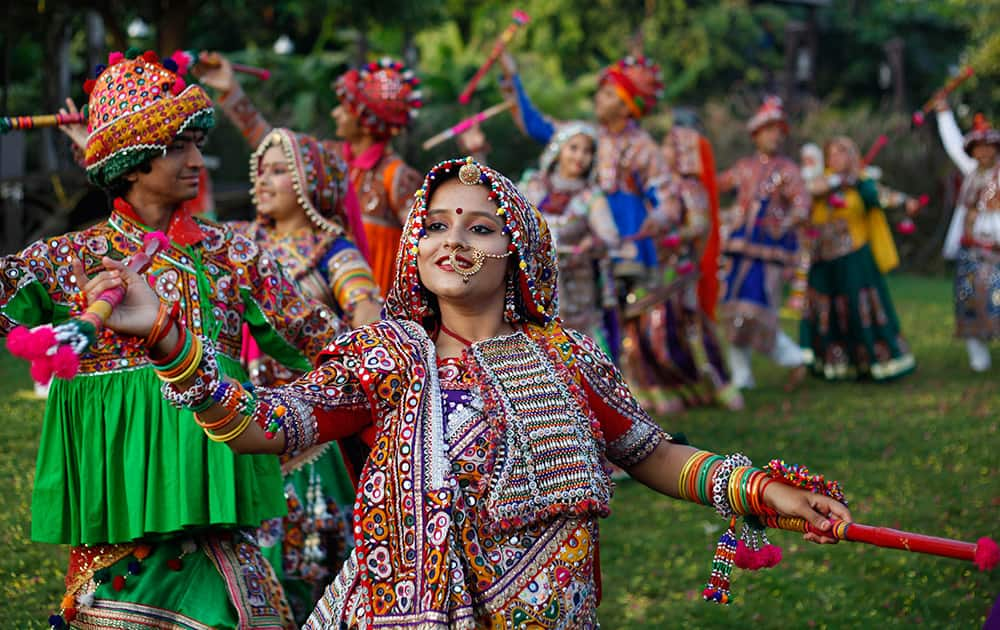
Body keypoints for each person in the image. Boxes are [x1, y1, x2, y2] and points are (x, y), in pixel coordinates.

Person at [85, 156, 851, 628]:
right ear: (415, 245)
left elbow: (653, 453)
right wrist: (166, 338)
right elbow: (262, 424)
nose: (454, 239)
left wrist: (758, 490)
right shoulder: (386, 355)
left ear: (517, 251)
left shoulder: (565, 357)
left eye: (481, 228)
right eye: (438, 223)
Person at [0, 49, 346, 628]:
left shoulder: (232, 255)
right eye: (178, 146)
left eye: (197, 145)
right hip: (119, 531)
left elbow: (323, 342)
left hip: (220, 524)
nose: (196, 161)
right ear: (133, 164)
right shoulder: (70, 259)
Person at [233, 128, 382, 622]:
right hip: (243, 427)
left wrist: (352, 359)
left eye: (278, 170)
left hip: (314, 440)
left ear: (308, 182)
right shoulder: (240, 243)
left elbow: (367, 310)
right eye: (261, 171)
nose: (263, 182)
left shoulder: (332, 251)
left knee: (313, 568)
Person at [197, 53, 423, 294]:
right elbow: (274, 144)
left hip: (370, 303)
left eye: (345, 108)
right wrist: (232, 92)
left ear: (367, 121)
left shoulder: (397, 176)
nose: (336, 113)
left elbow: (421, 246)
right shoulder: (328, 158)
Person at [502, 53, 673, 291]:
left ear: (626, 107)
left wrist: (657, 220)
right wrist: (512, 77)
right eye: (601, 92)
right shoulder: (584, 136)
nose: (598, 99)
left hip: (623, 247)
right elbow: (536, 125)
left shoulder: (644, 148)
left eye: (608, 94)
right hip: (576, 237)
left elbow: (666, 199)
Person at [622, 126, 742, 413]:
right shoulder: (648, 182)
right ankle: (651, 387)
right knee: (639, 329)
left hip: (676, 269)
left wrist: (674, 234)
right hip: (646, 264)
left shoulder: (688, 187)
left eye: (670, 146)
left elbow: (699, 225)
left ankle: (704, 385)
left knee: (671, 327)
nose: (663, 151)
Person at [799, 137, 916, 381]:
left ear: (851, 156)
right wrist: (838, 181)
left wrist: (905, 201)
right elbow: (807, 192)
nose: (835, 159)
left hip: (854, 258)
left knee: (859, 308)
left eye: (841, 153)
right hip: (824, 260)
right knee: (827, 311)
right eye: (831, 154)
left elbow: (881, 196)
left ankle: (876, 362)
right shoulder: (820, 180)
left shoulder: (862, 183)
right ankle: (835, 364)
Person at [718, 97, 810, 391]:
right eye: (768, 129)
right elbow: (716, 186)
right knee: (732, 311)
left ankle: (795, 358)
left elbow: (802, 204)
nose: (774, 135)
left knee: (758, 312)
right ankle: (742, 377)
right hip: (738, 250)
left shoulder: (788, 170)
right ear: (755, 134)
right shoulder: (743, 167)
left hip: (768, 253)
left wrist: (783, 223)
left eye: (778, 130)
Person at [517, 121, 624, 354]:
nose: (580, 156)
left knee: (577, 352)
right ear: (559, 149)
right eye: (574, 148)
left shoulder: (590, 196)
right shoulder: (533, 185)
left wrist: (592, 244)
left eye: (587, 151)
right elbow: (504, 214)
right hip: (532, 283)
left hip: (576, 287)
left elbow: (610, 237)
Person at [935, 99, 1000, 371]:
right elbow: (952, 144)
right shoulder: (971, 172)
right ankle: (977, 352)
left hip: (996, 248)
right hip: (970, 247)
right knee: (969, 297)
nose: (983, 152)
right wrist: (944, 114)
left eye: (988, 147)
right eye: (978, 147)